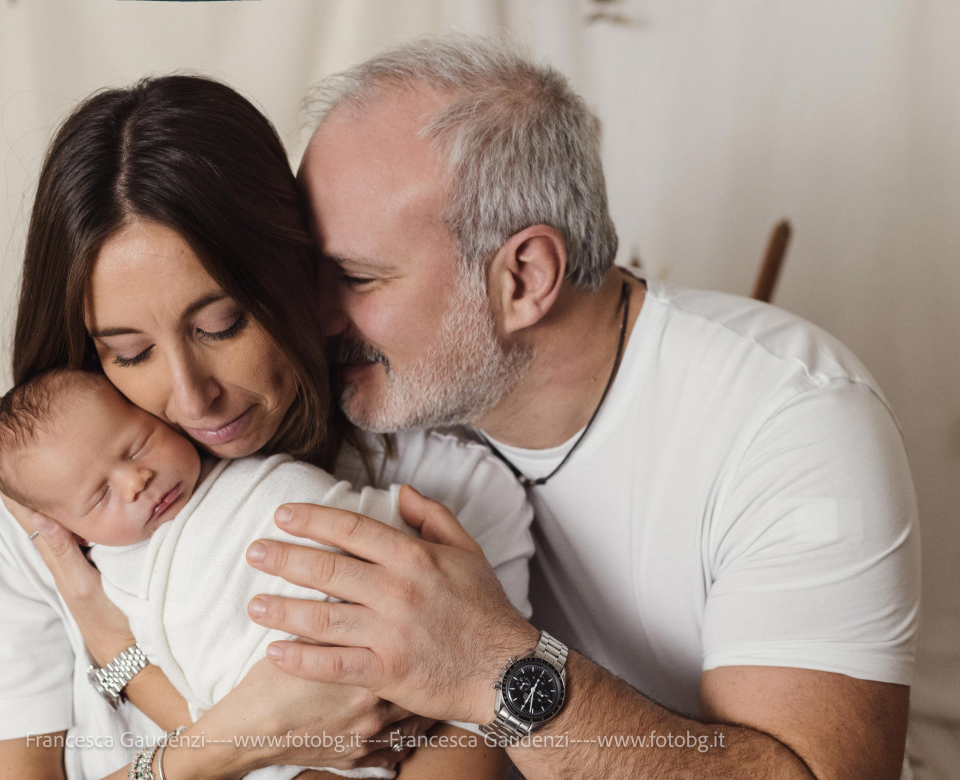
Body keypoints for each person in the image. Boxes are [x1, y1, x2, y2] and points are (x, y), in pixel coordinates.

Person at [243, 36, 920, 779]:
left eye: (354, 277)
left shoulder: (792, 420)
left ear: (526, 277)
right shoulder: (378, 402)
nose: (314, 315)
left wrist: (493, 667)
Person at [0, 74, 533, 779]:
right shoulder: (27, 484)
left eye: (221, 325)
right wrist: (242, 737)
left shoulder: (446, 488)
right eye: (131, 352)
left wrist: (117, 650)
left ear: (295, 272)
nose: (191, 396)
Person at [0, 367, 521, 779]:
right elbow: (209, 708)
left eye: (138, 445)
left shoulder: (236, 464)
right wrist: (110, 638)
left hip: (407, 655)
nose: (136, 479)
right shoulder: (116, 575)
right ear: (74, 533)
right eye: (100, 494)